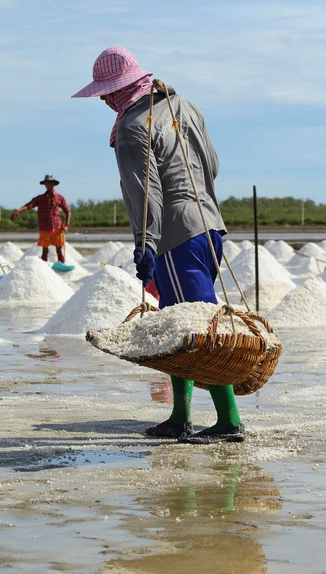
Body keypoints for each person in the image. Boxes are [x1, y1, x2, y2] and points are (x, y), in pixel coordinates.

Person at [72, 46, 244, 444]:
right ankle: (180, 416)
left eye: (105, 90)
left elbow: (144, 193)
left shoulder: (133, 127)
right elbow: (212, 163)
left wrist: (146, 244)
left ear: (121, 88)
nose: (102, 97)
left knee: (196, 328)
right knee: (175, 327)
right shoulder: (183, 104)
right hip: (209, 228)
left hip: (176, 237)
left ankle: (229, 420)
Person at [11, 175, 70, 263]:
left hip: (57, 227)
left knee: (59, 248)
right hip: (44, 227)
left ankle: (61, 265)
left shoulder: (60, 198)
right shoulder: (40, 198)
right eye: (46, 183)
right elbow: (29, 205)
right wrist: (18, 211)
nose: (47, 185)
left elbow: (68, 212)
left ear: (53, 184)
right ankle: (44, 267)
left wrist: (66, 226)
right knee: (45, 249)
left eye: (49, 183)